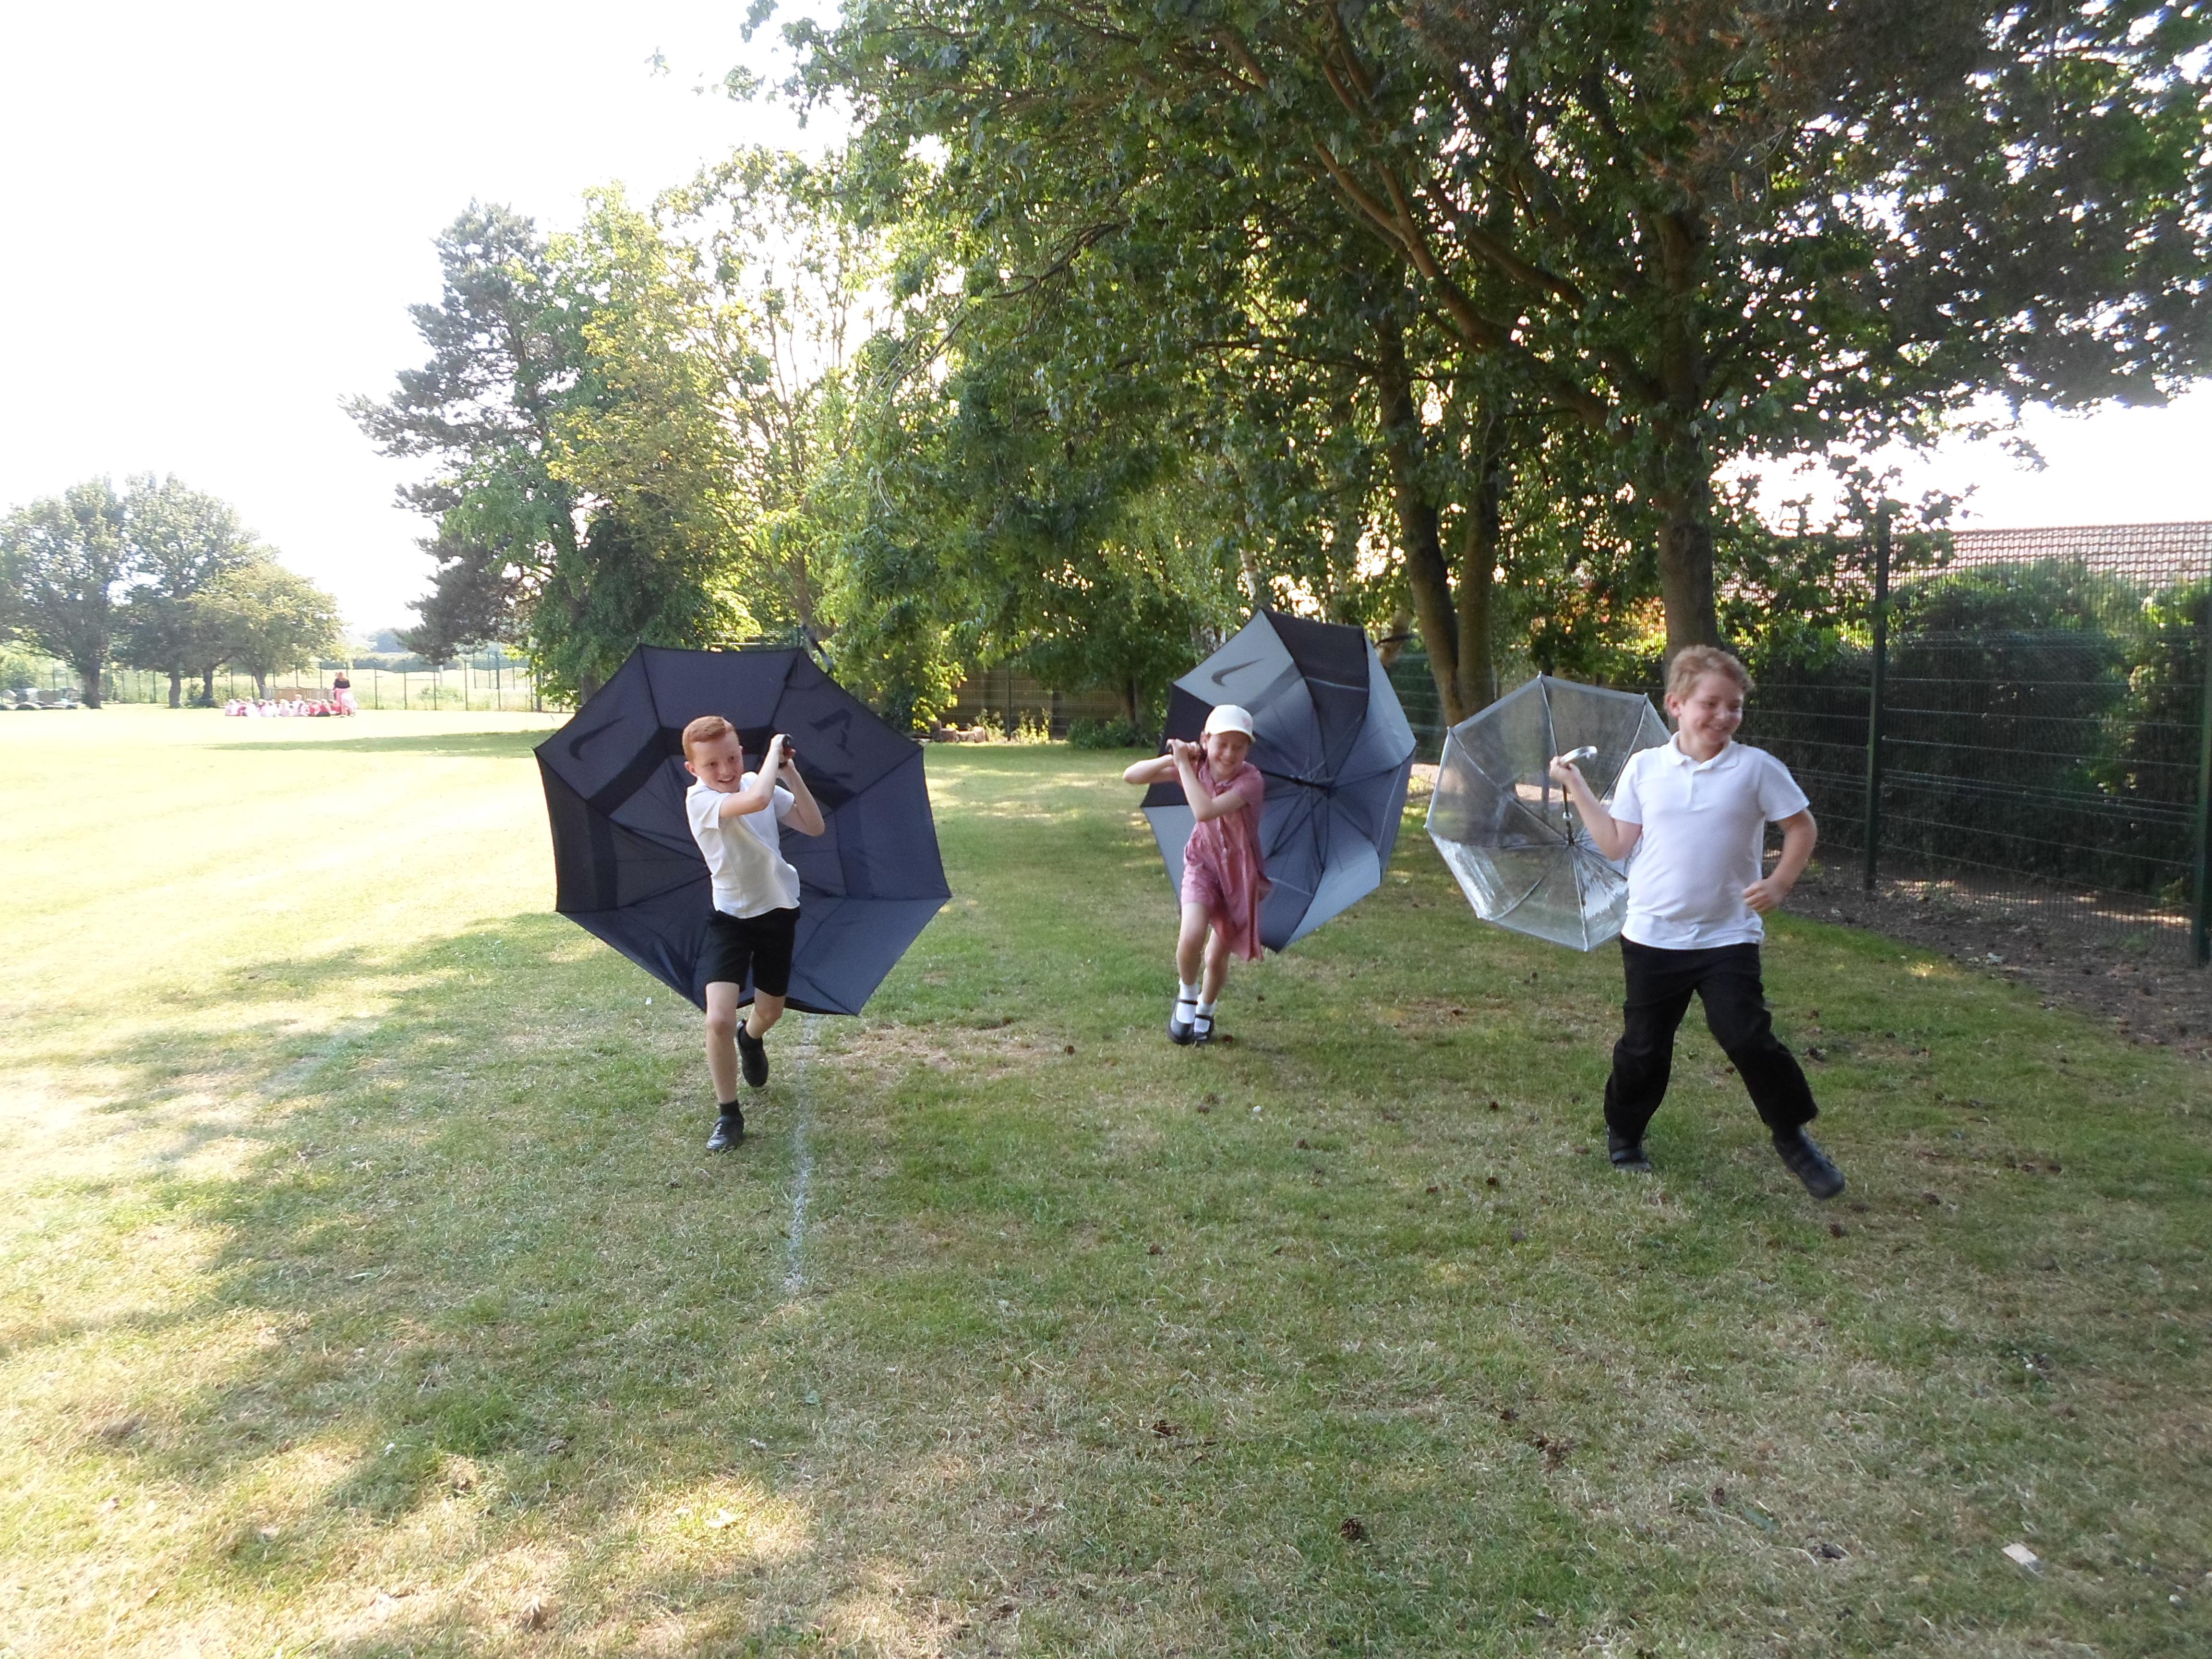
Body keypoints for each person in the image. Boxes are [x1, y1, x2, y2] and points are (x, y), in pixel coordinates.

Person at [1549, 646, 1845, 1200]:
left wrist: (1780, 883)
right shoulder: (1646, 768)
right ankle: (1625, 1134)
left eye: (1735, 707)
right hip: (1653, 936)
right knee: (1644, 1047)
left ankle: (1792, 1137)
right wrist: (1577, 786)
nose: (1725, 716)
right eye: (1711, 704)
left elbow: (1801, 827)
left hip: (1727, 936)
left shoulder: (1756, 769)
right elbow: (1615, 844)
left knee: (1747, 1035)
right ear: (1677, 705)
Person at [681, 715, 826, 1151]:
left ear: (741, 752)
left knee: (770, 1011)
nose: (725, 770)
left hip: (778, 913)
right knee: (718, 1018)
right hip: (730, 919)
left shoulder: (753, 781)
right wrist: (772, 754)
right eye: (711, 764)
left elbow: (813, 825)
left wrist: (789, 771)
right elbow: (757, 799)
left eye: (732, 757)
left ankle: (752, 1037)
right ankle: (729, 1115)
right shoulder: (700, 800)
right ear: (693, 769)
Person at [1122, 704, 1270, 1045]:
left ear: (1248, 750)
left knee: (1216, 956)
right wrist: (1176, 758)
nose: (1229, 754)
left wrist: (1184, 767)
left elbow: (1205, 811)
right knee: (1191, 934)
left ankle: (1206, 1007)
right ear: (1205, 739)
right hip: (1202, 863)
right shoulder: (1197, 764)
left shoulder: (1251, 781)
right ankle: (1187, 994)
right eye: (1222, 744)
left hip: (1238, 874)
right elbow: (1132, 775)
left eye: (1239, 747)